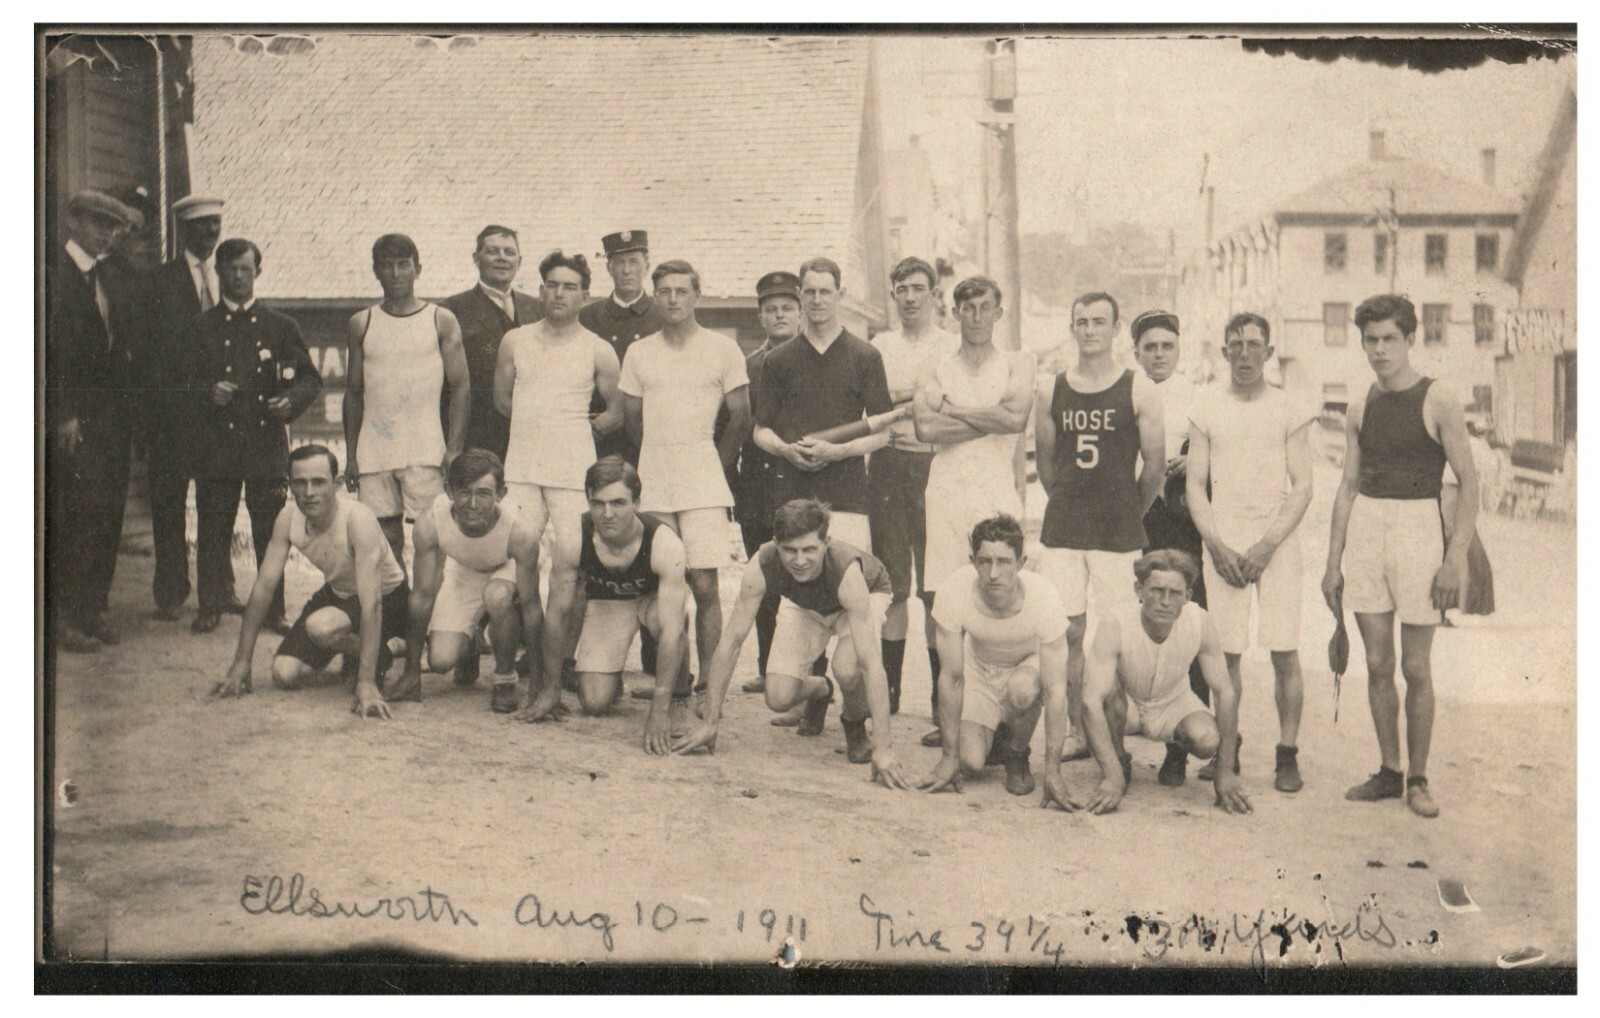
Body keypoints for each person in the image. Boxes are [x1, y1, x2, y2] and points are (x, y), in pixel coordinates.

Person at [1323, 294, 1479, 819]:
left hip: (1418, 530)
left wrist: (1454, 558)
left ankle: (1419, 777)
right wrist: (1332, 563)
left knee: (1416, 666)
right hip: (1368, 528)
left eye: (1390, 338)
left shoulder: (1439, 399)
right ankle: (1389, 771)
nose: (1380, 349)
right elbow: (1346, 487)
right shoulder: (1359, 405)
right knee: (1375, 661)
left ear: (1410, 339)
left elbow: (1469, 480)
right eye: (1371, 339)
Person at [673, 499, 909, 790]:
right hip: (805, 604)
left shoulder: (847, 571)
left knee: (848, 668)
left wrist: (884, 750)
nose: (799, 560)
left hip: (861, 599)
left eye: (809, 549)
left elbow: (873, 665)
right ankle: (821, 689)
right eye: (790, 550)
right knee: (778, 697)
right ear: (776, 544)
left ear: (826, 543)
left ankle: (854, 721)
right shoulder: (761, 564)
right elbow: (731, 642)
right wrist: (709, 722)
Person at [1185, 312, 1315, 793]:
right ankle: (1228, 747)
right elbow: (1196, 486)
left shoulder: (1289, 407)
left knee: (1284, 651)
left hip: (1275, 541)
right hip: (1224, 540)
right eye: (1235, 345)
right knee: (1228, 655)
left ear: (1269, 352)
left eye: (1253, 344)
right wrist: (1216, 544)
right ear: (1223, 352)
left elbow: (1303, 486)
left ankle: (1286, 753)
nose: (1244, 354)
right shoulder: (1205, 405)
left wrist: (1267, 544)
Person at [1034, 291, 1165, 761]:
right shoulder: (1051, 388)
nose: (1089, 329)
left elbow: (1154, 465)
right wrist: (1071, 501)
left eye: (1099, 321)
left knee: (1116, 634)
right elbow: (1047, 464)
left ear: (1115, 328)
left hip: (1117, 528)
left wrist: (1130, 508)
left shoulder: (1138, 387)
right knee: (1067, 633)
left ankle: (1110, 731)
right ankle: (1074, 730)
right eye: (1081, 321)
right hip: (1065, 526)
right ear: (1072, 328)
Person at [912, 276, 1034, 748]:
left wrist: (955, 409)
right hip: (944, 491)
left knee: (999, 594)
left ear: (999, 312)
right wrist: (988, 414)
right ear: (955, 313)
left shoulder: (1017, 364)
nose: (977, 316)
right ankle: (946, 715)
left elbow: (1015, 419)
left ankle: (1003, 719)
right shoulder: (934, 363)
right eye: (968, 308)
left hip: (994, 489)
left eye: (986, 307)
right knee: (942, 600)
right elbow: (925, 429)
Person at [620, 260, 750, 698]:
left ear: (696, 295)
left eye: (681, 291)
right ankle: (674, 678)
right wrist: (657, 455)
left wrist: (714, 461)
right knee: (665, 581)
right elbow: (633, 420)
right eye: (665, 291)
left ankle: (711, 683)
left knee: (705, 582)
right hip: (655, 476)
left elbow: (741, 415)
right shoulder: (639, 352)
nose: (673, 299)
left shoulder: (722, 350)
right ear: (654, 296)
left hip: (703, 478)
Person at [211, 445, 410, 719]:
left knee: (321, 626)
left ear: (337, 484)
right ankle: (378, 651)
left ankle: (377, 658)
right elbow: (263, 589)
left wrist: (366, 683)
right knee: (284, 673)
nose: (309, 492)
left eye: (318, 482)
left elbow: (372, 602)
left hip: (388, 599)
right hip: (339, 595)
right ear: (290, 485)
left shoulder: (358, 519)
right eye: (300, 483)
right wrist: (241, 662)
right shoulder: (288, 518)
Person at [186, 239, 323, 635]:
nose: (238, 276)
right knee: (213, 526)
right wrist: (206, 392)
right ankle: (210, 605)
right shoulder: (202, 327)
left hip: (264, 445)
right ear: (218, 273)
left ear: (257, 272)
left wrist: (290, 402)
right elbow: (178, 384)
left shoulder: (280, 326)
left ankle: (272, 609)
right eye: (230, 269)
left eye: (245, 269)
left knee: (271, 530)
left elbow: (310, 380)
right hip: (218, 444)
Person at [523, 458, 692, 755]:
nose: (608, 514)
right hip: (609, 602)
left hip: (650, 604)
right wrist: (551, 689)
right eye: (598, 504)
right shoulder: (573, 538)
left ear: (637, 502)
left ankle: (677, 693)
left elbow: (671, 630)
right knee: (594, 702)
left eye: (618, 503)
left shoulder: (665, 544)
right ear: (588, 501)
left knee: (668, 622)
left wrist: (659, 710)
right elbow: (557, 614)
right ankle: (611, 681)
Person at [1076, 549, 1251, 816]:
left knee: (1206, 740)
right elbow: (1089, 701)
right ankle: (1118, 760)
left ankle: (1176, 751)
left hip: (1173, 702)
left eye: (1175, 593)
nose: (1165, 601)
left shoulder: (1199, 620)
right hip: (1127, 703)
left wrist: (1225, 770)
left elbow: (1225, 691)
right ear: (1139, 590)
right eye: (1156, 590)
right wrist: (1111, 777)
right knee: (1107, 690)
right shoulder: (1115, 622)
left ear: (1188, 597)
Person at [915, 515, 1071, 802]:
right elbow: (951, 677)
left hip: (1027, 664)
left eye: (1004, 562)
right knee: (970, 762)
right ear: (972, 561)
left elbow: (1056, 690)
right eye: (985, 561)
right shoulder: (954, 590)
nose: (993, 573)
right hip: (981, 668)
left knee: (1022, 691)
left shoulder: (1043, 596)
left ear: (1021, 563)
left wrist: (1054, 772)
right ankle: (998, 734)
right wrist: (948, 758)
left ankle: (1017, 753)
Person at [47, 189, 142, 653]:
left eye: (112, 225)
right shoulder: (51, 275)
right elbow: (47, 354)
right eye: (97, 222)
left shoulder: (109, 276)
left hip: (111, 419)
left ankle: (93, 608)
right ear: (74, 222)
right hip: (73, 419)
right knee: (75, 515)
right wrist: (63, 414)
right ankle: (64, 615)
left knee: (107, 515)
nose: (106, 232)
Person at [344, 234, 471, 572]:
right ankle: (394, 613)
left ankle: (431, 613)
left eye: (403, 265)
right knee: (383, 540)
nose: (396, 273)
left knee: (431, 537)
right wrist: (351, 454)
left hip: (425, 448)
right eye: (387, 266)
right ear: (376, 271)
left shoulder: (439, 319)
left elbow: (461, 387)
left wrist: (454, 448)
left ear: (418, 268)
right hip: (376, 450)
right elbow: (353, 392)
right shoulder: (362, 322)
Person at [751, 257, 895, 554]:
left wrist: (840, 451)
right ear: (800, 295)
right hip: (793, 496)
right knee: (796, 588)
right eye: (810, 292)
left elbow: (883, 433)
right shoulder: (778, 361)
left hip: (847, 495)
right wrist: (786, 451)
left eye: (825, 292)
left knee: (846, 583)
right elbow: (760, 431)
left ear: (840, 295)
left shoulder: (865, 356)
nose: (817, 300)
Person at [868, 257, 959, 716]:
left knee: (934, 587)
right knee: (893, 585)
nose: (909, 297)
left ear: (933, 294)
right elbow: (873, 401)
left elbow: (951, 403)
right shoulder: (880, 345)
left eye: (918, 288)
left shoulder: (951, 346)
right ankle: (889, 694)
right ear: (893, 293)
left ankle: (939, 701)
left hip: (934, 466)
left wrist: (905, 396)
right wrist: (917, 396)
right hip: (887, 462)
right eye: (901, 289)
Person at [388, 450, 542, 713]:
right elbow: (422, 596)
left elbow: (531, 607)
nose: (472, 504)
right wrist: (411, 672)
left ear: (501, 494)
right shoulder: (430, 521)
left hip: (505, 570)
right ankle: (470, 643)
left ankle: (504, 679)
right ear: (449, 490)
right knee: (439, 660)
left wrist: (540, 685)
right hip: (464, 569)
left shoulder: (520, 531)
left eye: (483, 494)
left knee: (497, 596)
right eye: (464, 492)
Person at [1130, 309, 1212, 785]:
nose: (1158, 355)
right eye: (1149, 347)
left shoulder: (1198, 399)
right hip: (1138, 515)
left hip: (1180, 517)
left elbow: (1216, 450)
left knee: (1188, 626)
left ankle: (1183, 749)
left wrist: (1191, 457)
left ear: (1179, 349)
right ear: (1137, 352)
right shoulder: (1128, 392)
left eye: (1166, 346)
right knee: (1138, 624)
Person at [495, 250, 623, 554]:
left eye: (569, 287)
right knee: (516, 551)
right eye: (552, 285)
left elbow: (618, 410)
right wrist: (536, 421)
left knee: (574, 553)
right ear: (541, 291)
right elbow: (501, 399)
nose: (559, 294)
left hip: (573, 470)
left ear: (585, 296)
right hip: (521, 468)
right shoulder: (515, 340)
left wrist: (580, 431)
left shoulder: (598, 349)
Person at [145, 195, 226, 620]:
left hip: (217, 418)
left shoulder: (228, 277)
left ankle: (218, 590)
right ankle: (171, 593)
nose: (210, 233)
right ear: (183, 230)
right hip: (174, 418)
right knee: (169, 505)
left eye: (215, 225)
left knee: (217, 503)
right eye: (201, 226)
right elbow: (154, 355)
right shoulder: (160, 281)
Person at [732, 271, 805, 695]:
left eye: (786, 309)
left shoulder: (810, 360)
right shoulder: (749, 366)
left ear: (798, 314)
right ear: (761, 317)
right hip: (758, 484)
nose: (779, 315)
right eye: (771, 310)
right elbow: (737, 425)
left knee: (801, 576)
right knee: (762, 576)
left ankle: (798, 670)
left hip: (798, 481)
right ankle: (765, 666)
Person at [438, 225, 545, 463]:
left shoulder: (538, 309)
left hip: (532, 439)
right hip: (477, 440)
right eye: (492, 251)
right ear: (476, 258)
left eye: (509, 252)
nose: (502, 258)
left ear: (519, 260)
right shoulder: (452, 310)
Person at [580, 229, 663, 464]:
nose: (627, 270)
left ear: (646, 266)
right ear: (608, 268)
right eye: (619, 263)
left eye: (634, 262)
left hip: (649, 439)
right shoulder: (587, 318)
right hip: (601, 439)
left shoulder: (663, 318)